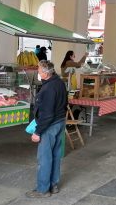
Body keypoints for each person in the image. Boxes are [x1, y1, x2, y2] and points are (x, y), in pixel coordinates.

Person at [27, 60, 68, 198]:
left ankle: (43, 190)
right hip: (60, 122)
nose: (38, 72)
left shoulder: (49, 88)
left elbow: (47, 114)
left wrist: (38, 132)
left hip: (49, 126)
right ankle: (53, 185)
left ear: (45, 73)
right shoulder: (60, 82)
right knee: (56, 155)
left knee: (44, 158)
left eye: (38, 70)